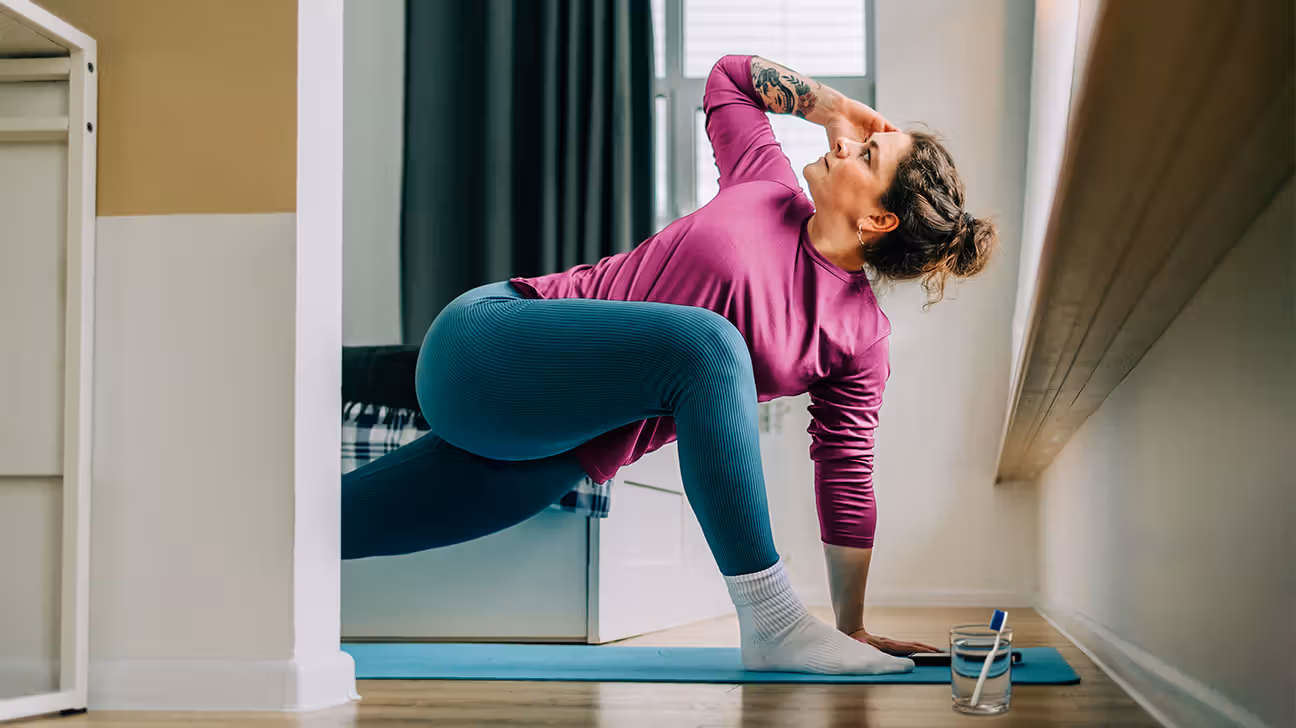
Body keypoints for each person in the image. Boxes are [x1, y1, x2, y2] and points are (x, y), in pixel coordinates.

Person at [342, 55, 997, 675]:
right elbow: (730, 79)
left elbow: (846, 469)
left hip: (544, 456)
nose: (847, 145)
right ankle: (772, 622)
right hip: (489, 343)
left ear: (879, 218)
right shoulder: (765, 183)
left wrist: (851, 627)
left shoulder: (859, 335)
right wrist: (834, 107)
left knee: (325, 528)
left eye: (868, 154)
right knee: (712, 345)